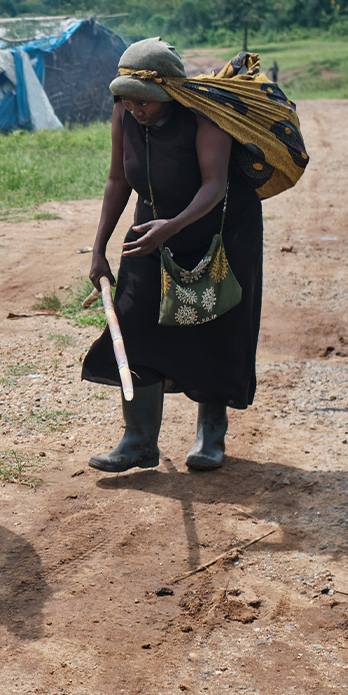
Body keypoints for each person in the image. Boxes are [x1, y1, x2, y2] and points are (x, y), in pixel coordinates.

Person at [80, 37, 268, 473]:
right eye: (128, 101)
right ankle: (139, 441)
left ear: (171, 92)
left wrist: (173, 227)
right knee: (135, 322)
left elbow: (214, 184)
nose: (136, 110)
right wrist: (99, 249)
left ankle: (210, 436)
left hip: (220, 228)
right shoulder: (124, 110)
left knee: (216, 325)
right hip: (153, 228)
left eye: (145, 102)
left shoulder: (205, 115)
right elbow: (116, 180)